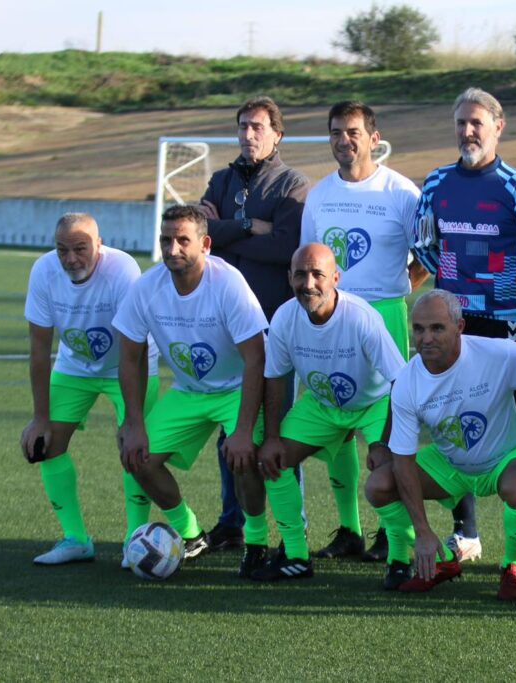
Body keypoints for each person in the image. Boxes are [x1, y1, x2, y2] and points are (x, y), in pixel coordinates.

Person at [413, 87, 516, 565]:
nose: (468, 131)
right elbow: (426, 246)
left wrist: (511, 293)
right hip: (453, 322)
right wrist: (454, 289)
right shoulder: (436, 184)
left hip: (502, 320)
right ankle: (467, 532)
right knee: (450, 420)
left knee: (513, 427)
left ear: (499, 127)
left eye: (477, 122)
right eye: (461, 123)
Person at [300, 101, 427, 562]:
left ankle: (391, 532)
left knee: (388, 424)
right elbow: (308, 258)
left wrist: (394, 293)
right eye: (336, 132)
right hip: (330, 318)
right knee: (336, 417)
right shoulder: (319, 194)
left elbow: (427, 257)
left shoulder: (400, 192)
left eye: (352, 132)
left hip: (386, 314)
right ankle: (349, 529)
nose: (343, 140)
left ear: (374, 138)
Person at [113, 205, 269, 576]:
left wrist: (244, 430)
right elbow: (130, 358)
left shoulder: (228, 283)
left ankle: (257, 541)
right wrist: (133, 423)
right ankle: (189, 532)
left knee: (243, 459)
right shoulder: (147, 287)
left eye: (183, 240)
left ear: (205, 244)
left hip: (235, 389)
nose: (173, 249)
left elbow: (256, 359)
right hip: (189, 391)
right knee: (137, 458)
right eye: (166, 240)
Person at [364, 289, 516, 600]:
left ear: (459, 327)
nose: (426, 338)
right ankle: (442, 561)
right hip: (450, 464)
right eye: (419, 329)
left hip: (505, 456)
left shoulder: (499, 355)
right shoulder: (407, 381)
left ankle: (513, 564)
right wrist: (423, 531)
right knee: (379, 485)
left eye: (437, 328)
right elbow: (403, 459)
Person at [198, 96, 311, 552]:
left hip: (274, 327)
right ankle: (233, 521)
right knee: (234, 431)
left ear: (277, 134)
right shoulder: (220, 179)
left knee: (276, 432)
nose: (249, 135)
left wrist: (228, 231)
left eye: (258, 127)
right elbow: (204, 242)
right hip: (226, 329)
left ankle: (289, 529)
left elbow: (287, 248)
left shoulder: (292, 184)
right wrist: (249, 226)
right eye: (243, 126)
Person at [253, 244, 405, 581]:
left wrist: (383, 443)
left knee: (392, 469)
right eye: (300, 275)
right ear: (289, 277)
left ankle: (400, 558)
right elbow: (275, 378)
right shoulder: (284, 317)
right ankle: (295, 555)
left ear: (335, 278)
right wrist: (273, 437)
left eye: (318, 274)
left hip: (375, 402)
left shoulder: (362, 317)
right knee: (273, 461)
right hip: (321, 404)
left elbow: (401, 382)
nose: (308, 284)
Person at [21, 213, 160, 566]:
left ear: (99, 245)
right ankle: (76, 539)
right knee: (47, 444)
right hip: (74, 365)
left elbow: (135, 348)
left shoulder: (122, 270)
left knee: (135, 449)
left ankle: (135, 539)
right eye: (62, 250)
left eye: (80, 249)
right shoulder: (43, 271)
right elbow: (39, 350)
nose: (70, 259)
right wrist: (40, 417)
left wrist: (132, 420)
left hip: (129, 365)